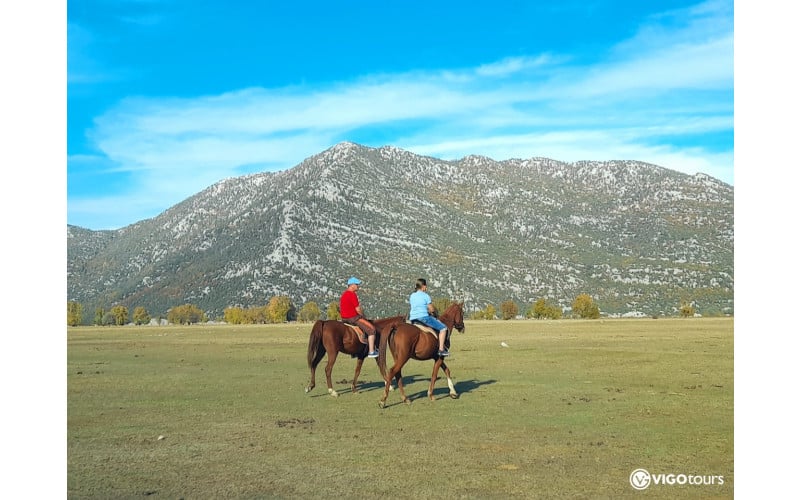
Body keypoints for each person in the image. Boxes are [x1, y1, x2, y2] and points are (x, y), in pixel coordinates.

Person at [408, 278, 450, 357]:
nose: (426, 288)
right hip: (424, 318)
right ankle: (441, 350)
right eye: (426, 286)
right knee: (443, 328)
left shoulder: (412, 296)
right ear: (423, 287)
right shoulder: (426, 296)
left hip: (413, 319)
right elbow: (431, 309)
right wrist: (433, 313)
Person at [339, 277, 379, 358]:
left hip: (344, 318)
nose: (358, 286)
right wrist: (363, 316)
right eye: (357, 284)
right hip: (353, 318)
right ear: (352, 285)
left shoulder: (344, 294)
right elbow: (358, 309)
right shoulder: (352, 294)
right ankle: (371, 351)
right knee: (372, 330)